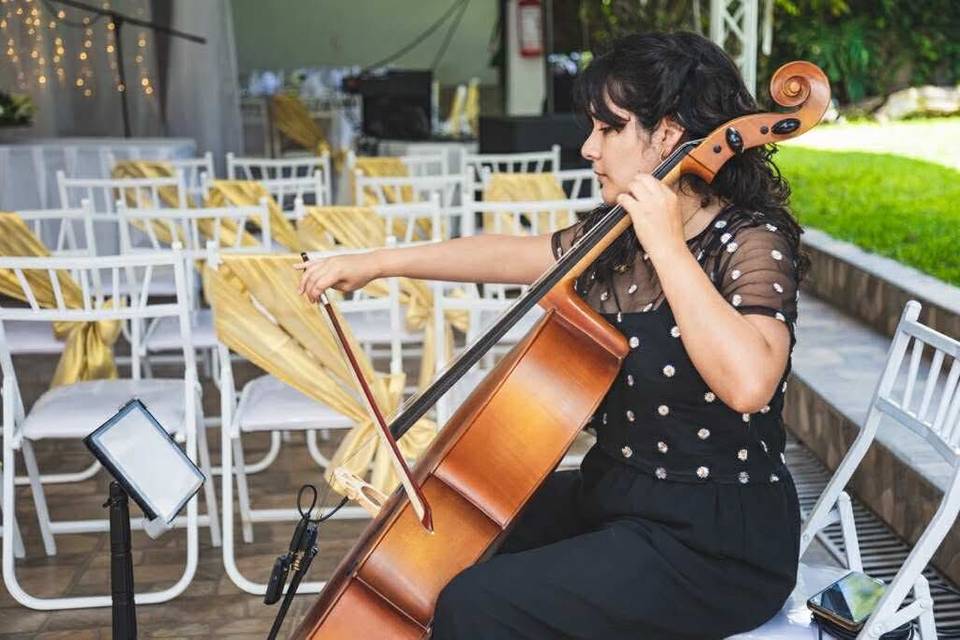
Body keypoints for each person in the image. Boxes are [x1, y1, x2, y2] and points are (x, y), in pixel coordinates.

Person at [296, 31, 805, 640]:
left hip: (715, 543)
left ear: (668, 135)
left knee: (478, 605)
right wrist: (378, 262)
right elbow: (507, 253)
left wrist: (667, 244)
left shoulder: (750, 238)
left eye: (608, 129)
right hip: (616, 493)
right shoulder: (614, 238)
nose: (589, 148)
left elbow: (749, 382)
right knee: (449, 550)